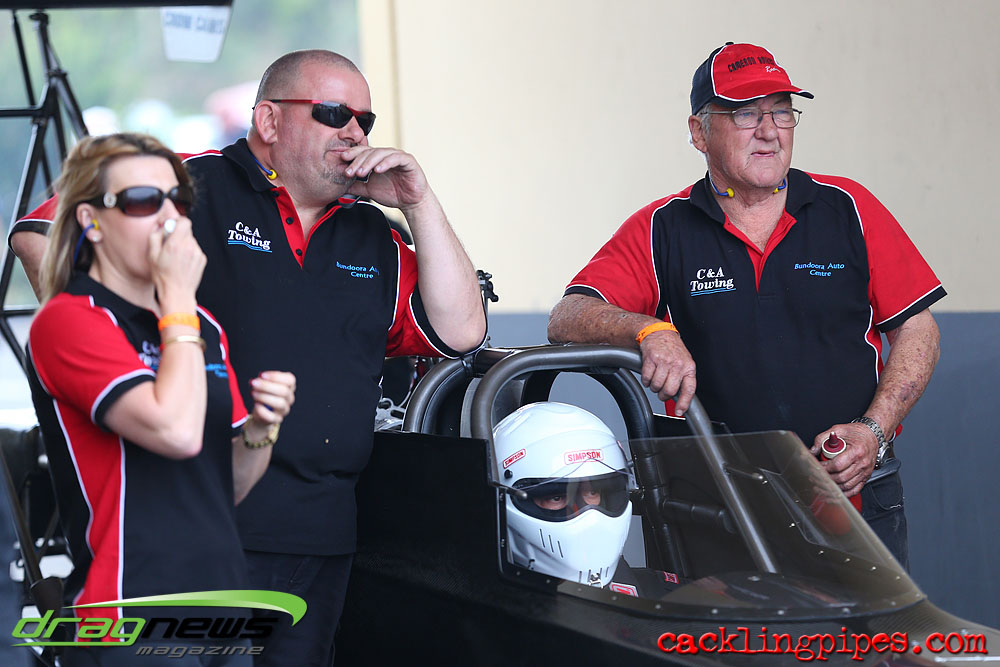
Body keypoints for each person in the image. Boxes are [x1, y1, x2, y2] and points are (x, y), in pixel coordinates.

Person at [10, 50, 487, 665]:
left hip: (319, 533)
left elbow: (463, 330)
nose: (354, 132)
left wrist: (417, 203)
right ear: (268, 120)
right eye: (333, 112)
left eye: (364, 121)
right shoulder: (186, 184)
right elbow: (38, 235)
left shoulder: (375, 233)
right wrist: (116, 350)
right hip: (186, 528)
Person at [547, 42, 944, 570]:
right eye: (745, 113)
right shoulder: (663, 227)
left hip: (852, 494)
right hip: (719, 505)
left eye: (781, 111)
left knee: (866, 629)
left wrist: (874, 429)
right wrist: (648, 331)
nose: (769, 130)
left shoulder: (849, 207)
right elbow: (567, 318)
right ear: (699, 132)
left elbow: (918, 329)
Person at [25, 133, 296, 666]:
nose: (170, 217)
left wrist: (262, 428)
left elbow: (226, 486)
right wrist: (177, 300)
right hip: (130, 611)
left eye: (179, 199)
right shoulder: (69, 320)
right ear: (91, 221)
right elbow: (175, 432)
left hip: (220, 605)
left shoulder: (199, 325)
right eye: (143, 201)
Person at [492, 402, 683, 598]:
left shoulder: (664, 595)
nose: (589, 518)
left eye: (593, 492)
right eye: (556, 497)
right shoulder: (484, 607)